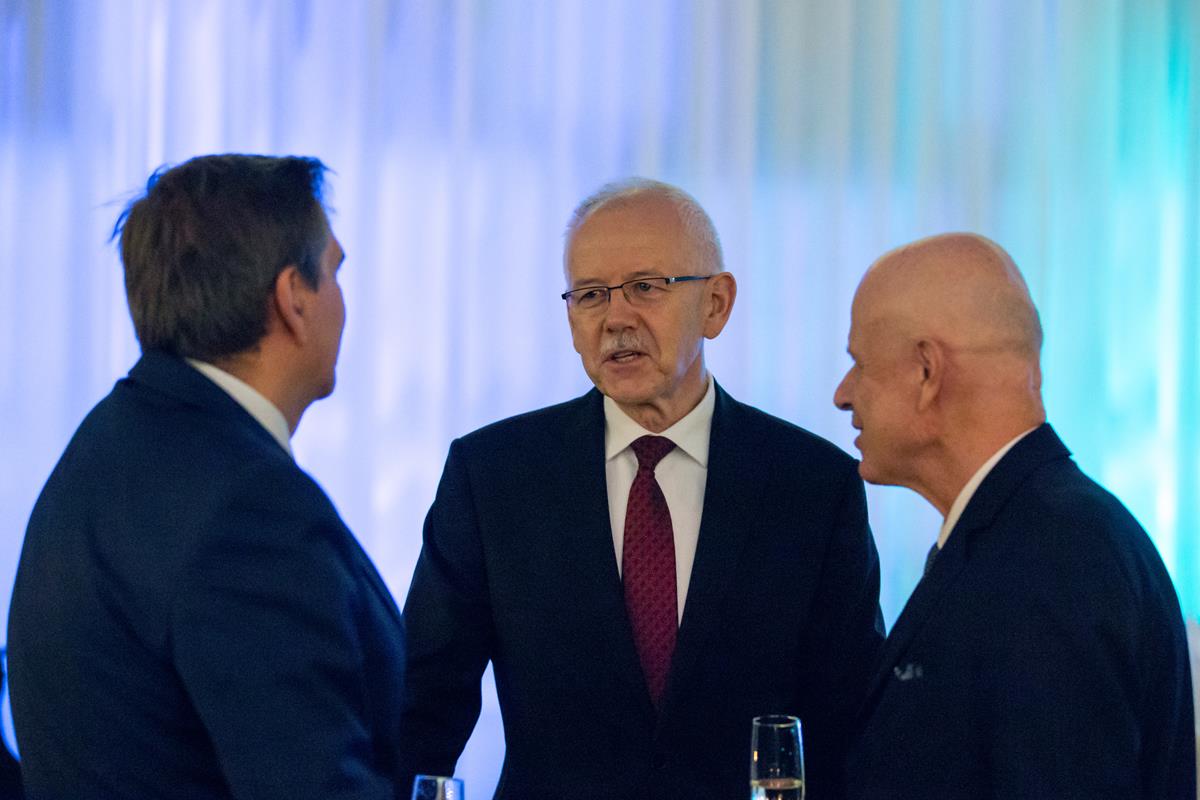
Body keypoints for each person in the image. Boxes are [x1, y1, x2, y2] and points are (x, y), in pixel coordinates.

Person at [398, 178, 885, 799]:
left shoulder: (811, 486)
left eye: (646, 287)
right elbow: (421, 706)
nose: (616, 318)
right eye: (591, 295)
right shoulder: (493, 476)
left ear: (716, 304)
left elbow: (851, 726)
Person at [7, 154, 406, 799]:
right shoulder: (249, 506)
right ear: (293, 299)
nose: (342, 300)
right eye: (335, 270)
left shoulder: (110, 442)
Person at [834, 232, 1196, 798]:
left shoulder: (1052, 561)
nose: (842, 394)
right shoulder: (1039, 533)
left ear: (927, 372)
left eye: (859, 364)